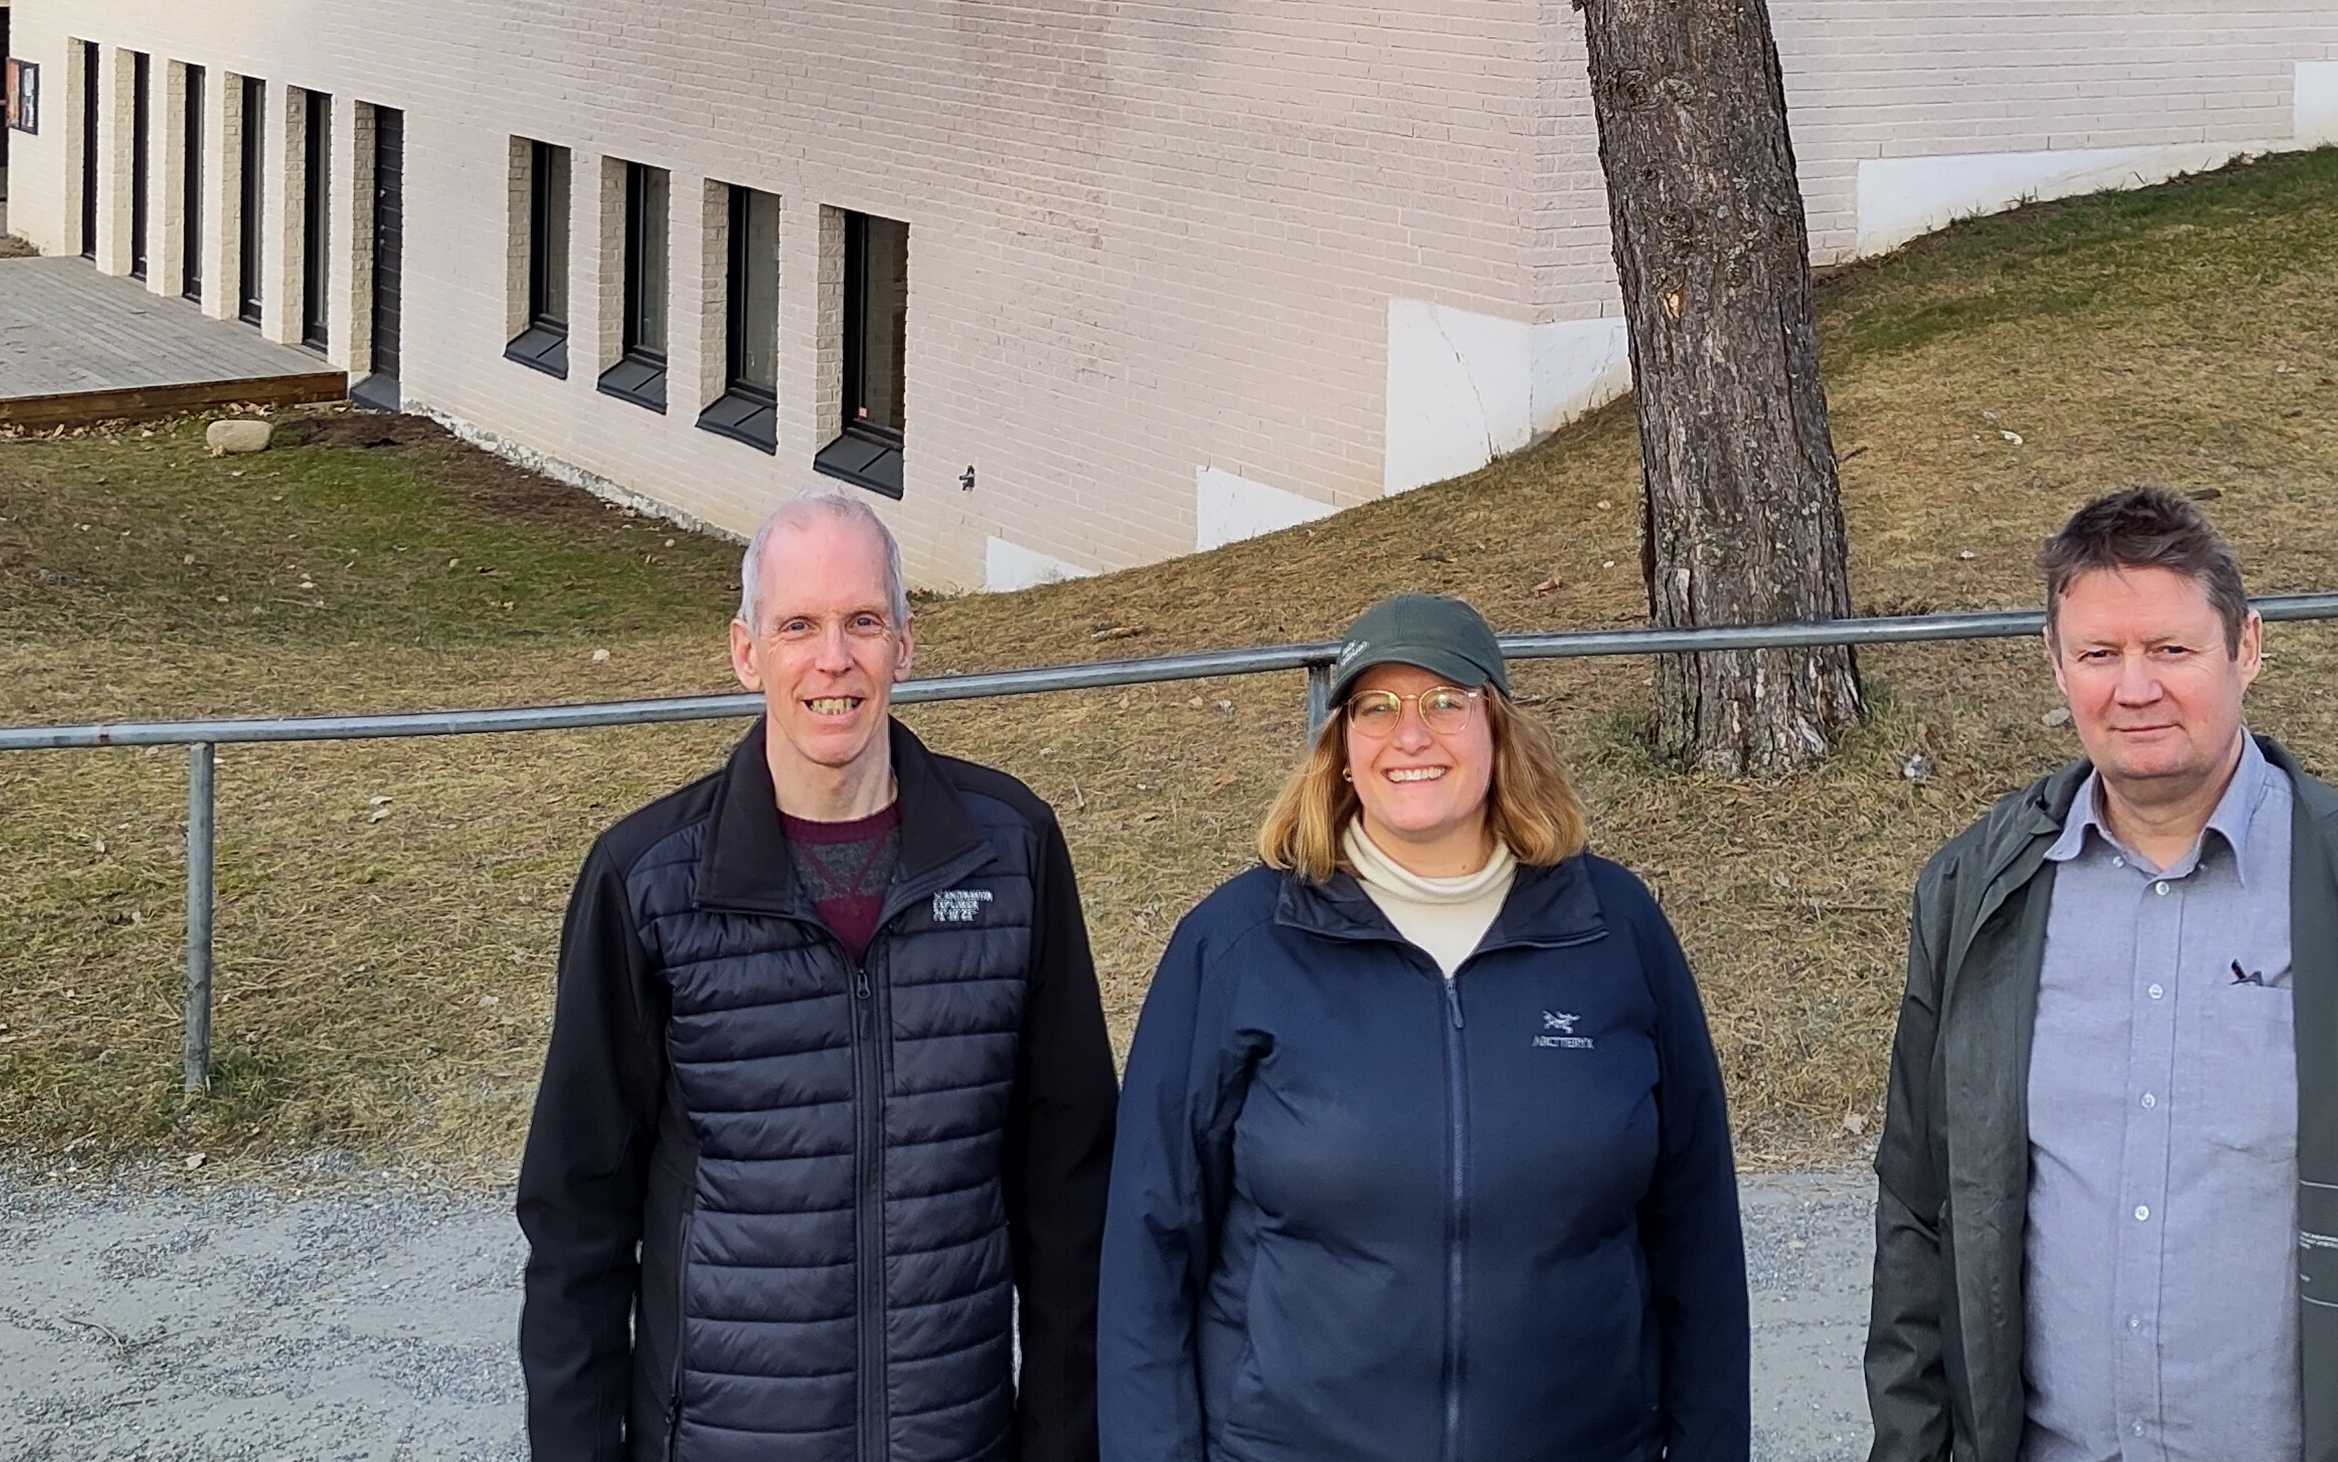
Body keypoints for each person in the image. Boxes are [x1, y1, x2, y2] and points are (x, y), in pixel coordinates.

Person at [1866, 485, 2338, 1462]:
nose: (2134, 688)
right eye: (2098, 654)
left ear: (2245, 645)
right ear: (2054, 660)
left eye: (2170, 650)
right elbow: (1917, 1219)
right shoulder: (1975, 899)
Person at [518, 489, 1117, 1462]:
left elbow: (1070, 1198)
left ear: (905, 646)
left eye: (863, 623)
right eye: (798, 625)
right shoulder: (647, 881)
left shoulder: (1012, 855)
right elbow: (575, 1219)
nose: (832, 660)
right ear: (746, 652)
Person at [1103, 591, 1749, 1462]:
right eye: (1376, 707)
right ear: (1339, 750)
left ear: (1500, 732)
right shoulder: (1239, 946)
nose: (1411, 735)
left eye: (1447, 701)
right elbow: (1148, 1244)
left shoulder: (1615, 930)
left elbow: (1697, 1232)